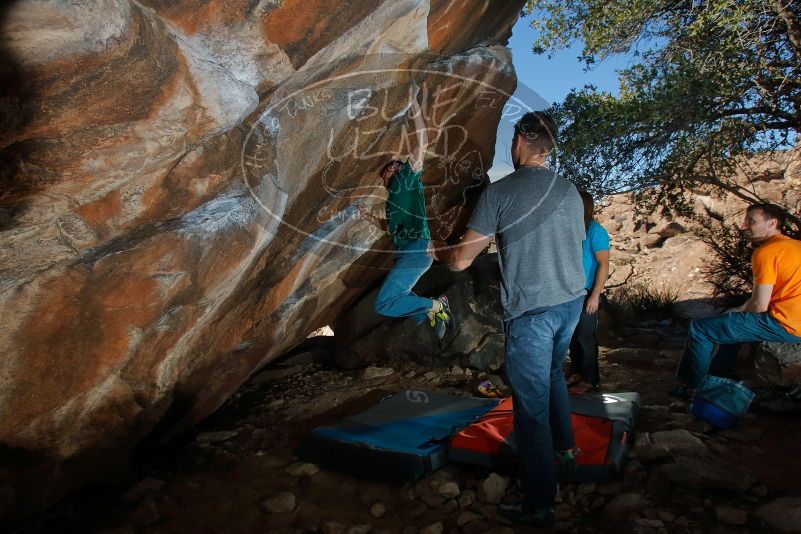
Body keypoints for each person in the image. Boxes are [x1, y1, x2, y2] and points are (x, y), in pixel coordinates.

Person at [435, 111, 586, 527]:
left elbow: (463, 262)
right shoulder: (570, 190)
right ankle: (566, 450)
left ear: (520, 139)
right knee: (554, 373)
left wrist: (440, 253)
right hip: (569, 303)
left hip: (533, 315)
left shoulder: (502, 193)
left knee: (530, 411)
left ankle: (539, 504)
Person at [671, 203, 801, 398]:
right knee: (730, 321)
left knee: (700, 329)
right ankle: (718, 373)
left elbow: (759, 305)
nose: (744, 226)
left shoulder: (767, 252)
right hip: (793, 315)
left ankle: (693, 388)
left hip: (787, 323)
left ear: (772, 223)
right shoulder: (795, 245)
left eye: (751, 221)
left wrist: (738, 310)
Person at [360, 86, 454, 339]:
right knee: (398, 299)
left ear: (400, 169)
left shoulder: (408, 179)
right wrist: (367, 215)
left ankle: (436, 306)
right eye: (385, 173)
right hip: (408, 253)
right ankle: (430, 311)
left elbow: (422, 142)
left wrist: (413, 102)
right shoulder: (392, 202)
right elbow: (387, 227)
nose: (387, 172)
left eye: (391, 167)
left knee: (384, 303)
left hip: (417, 250)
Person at [567, 191, 610, 393]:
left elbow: (603, 264)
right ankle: (578, 372)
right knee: (573, 336)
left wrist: (595, 295)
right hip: (569, 291)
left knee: (585, 336)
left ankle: (591, 380)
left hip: (586, 291)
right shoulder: (573, 229)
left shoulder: (595, 231)